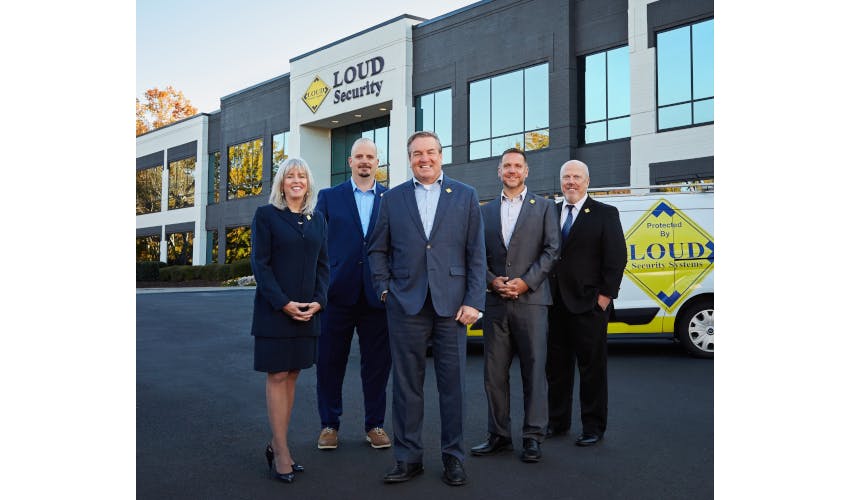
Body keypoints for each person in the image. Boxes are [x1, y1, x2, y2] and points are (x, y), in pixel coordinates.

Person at [368, 131, 486, 486]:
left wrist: (473, 301)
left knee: (452, 388)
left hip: (452, 307)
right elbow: (377, 250)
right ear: (409, 158)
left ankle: (453, 458)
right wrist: (385, 290)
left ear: (441, 155)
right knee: (407, 388)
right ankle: (408, 458)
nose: (424, 158)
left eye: (430, 152)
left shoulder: (465, 196)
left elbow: (477, 254)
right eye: (417, 153)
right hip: (406, 304)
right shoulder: (392, 199)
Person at [470, 148, 560, 463]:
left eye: (517, 166)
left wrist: (526, 282)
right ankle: (499, 435)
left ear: (526, 171)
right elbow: (475, 255)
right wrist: (492, 280)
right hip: (495, 304)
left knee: (534, 372)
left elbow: (552, 250)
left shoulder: (545, 207)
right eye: (506, 166)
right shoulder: (484, 211)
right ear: (499, 171)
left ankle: (533, 436)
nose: (511, 170)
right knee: (494, 374)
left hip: (532, 301)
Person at [250, 157, 329, 483]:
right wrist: (283, 303)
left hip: (308, 312)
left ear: (308, 183)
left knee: (293, 373)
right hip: (274, 311)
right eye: (289, 176)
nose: (296, 180)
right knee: (278, 375)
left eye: (302, 176)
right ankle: (281, 451)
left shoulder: (318, 219)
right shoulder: (266, 216)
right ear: (281, 183)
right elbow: (260, 265)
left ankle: (276, 442)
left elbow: (324, 265)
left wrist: (319, 301)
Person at [314, 138, 392, 451]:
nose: (364, 161)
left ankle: (375, 425)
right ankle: (329, 425)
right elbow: (316, 245)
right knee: (330, 363)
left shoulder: (392, 197)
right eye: (358, 156)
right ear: (350, 162)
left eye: (370, 157)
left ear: (377, 162)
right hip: (336, 295)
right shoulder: (329, 197)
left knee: (377, 366)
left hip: (378, 296)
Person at [546, 159, 627, 447]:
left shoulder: (605, 213)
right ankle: (557, 422)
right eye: (566, 176)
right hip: (554, 306)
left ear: (587, 181)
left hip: (589, 306)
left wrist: (604, 298)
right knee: (556, 369)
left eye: (576, 177)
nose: (571, 181)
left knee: (591, 370)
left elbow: (617, 258)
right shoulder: (550, 212)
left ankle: (593, 427)